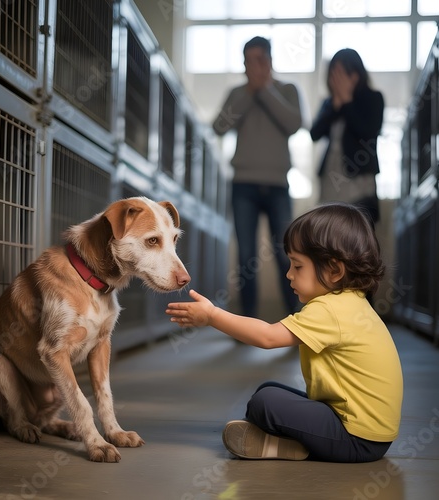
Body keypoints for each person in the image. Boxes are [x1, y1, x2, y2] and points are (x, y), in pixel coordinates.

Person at [166, 203, 403, 463]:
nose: (289, 274)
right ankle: (289, 445)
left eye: (298, 266)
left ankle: (290, 445)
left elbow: (268, 336)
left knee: (265, 402)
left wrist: (212, 316)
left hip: (356, 439)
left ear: (335, 270)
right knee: (269, 390)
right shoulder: (352, 302)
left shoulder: (331, 309)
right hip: (370, 435)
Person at [212, 36, 303, 317]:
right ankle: (246, 321)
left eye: (259, 60)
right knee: (246, 257)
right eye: (248, 61)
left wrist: (264, 90)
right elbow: (219, 126)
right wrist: (250, 92)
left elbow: (293, 124)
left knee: (285, 254)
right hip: (243, 186)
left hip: (278, 185)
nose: (254, 66)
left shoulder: (287, 90)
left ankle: (295, 320)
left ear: (270, 61)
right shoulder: (237, 94)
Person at [310, 48, 384, 225]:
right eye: (334, 74)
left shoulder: (372, 98)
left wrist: (347, 102)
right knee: (329, 234)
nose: (336, 79)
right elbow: (315, 133)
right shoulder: (329, 103)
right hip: (330, 180)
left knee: (357, 236)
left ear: (356, 75)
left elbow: (369, 132)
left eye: (342, 73)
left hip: (359, 182)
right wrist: (335, 106)